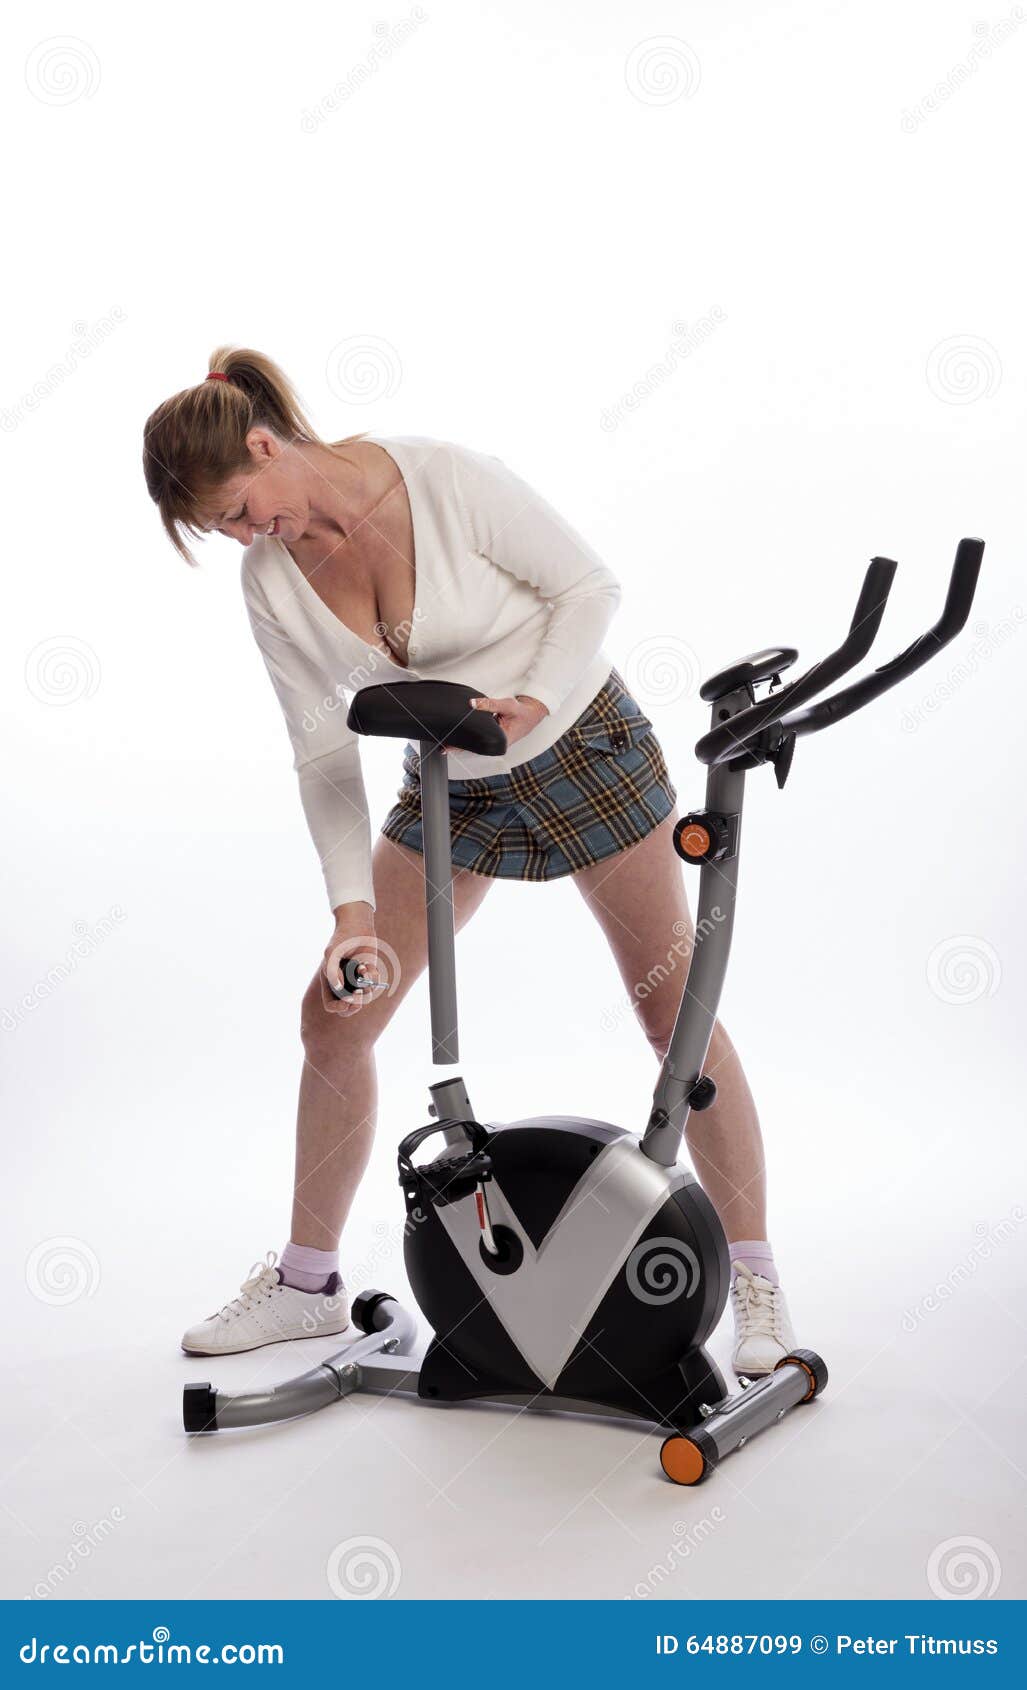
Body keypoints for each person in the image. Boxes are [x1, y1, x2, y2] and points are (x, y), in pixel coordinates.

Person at [142, 346, 796, 1375]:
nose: (240, 536)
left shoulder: (442, 476)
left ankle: (754, 1280)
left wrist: (533, 693)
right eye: (220, 530)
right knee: (335, 1013)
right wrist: (350, 914)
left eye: (236, 508)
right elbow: (321, 751)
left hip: (582, 744)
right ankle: (306, 1283)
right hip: (454, 786)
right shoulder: (271, 581)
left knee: (675, 1016)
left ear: (264, 445)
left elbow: (586, 587)